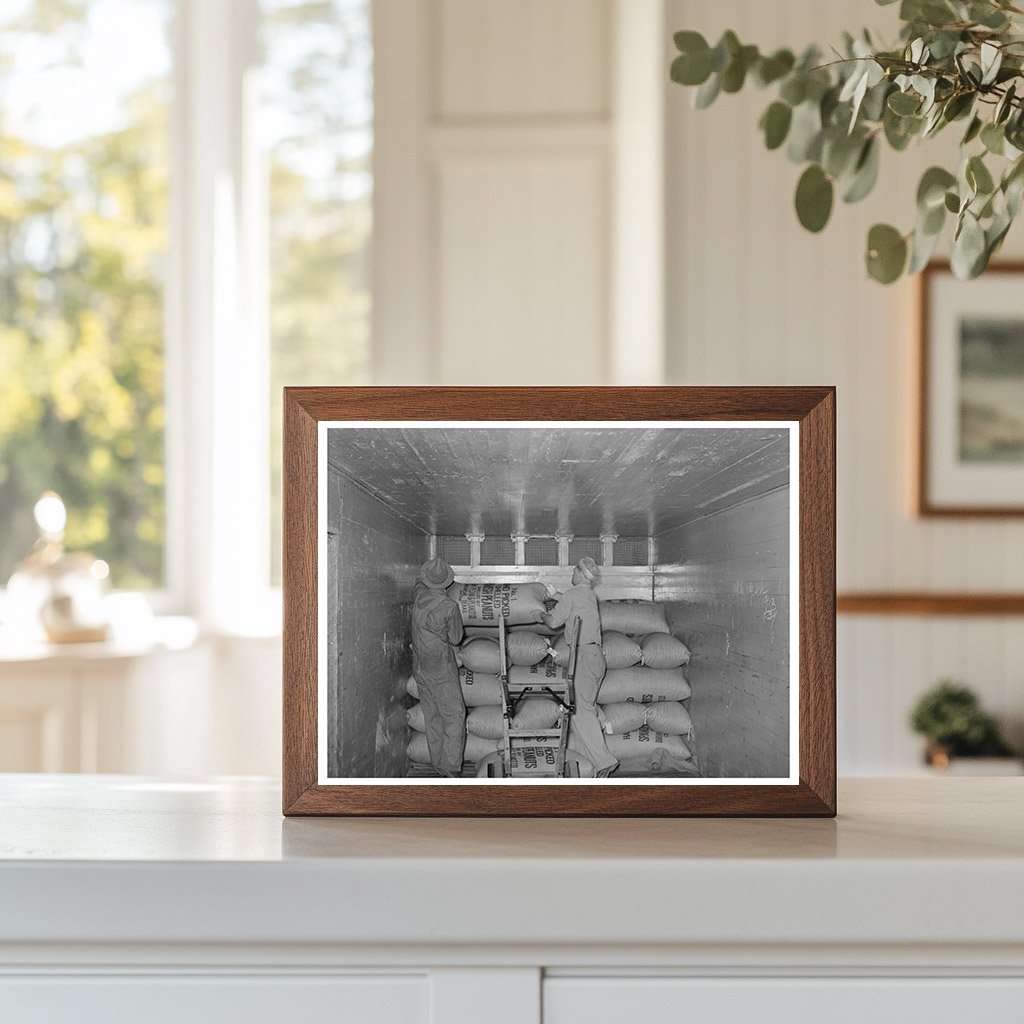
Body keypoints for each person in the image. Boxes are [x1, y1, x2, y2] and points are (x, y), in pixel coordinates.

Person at [542, 557, 618, 778]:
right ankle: (597, 764)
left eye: (574, 570)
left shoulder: (574, 594)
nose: (571, 574)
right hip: (595, 657)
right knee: (581, 708)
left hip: (584, 656)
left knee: (581, 709)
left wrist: (539, 614)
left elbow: (553, 622)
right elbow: (573, 603)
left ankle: (604, 761)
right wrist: (556, 595)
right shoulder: (588, 594)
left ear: (580, 573)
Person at [410, 556, 465, 777]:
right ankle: (450, 766)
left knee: (432, 715)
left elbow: (418, 583)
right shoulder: (449, 606)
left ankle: (438, 763)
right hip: (440, 669)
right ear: (448, 582)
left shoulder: (419, 598)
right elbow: (456, 638)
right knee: (455, 715)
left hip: (420, 667)